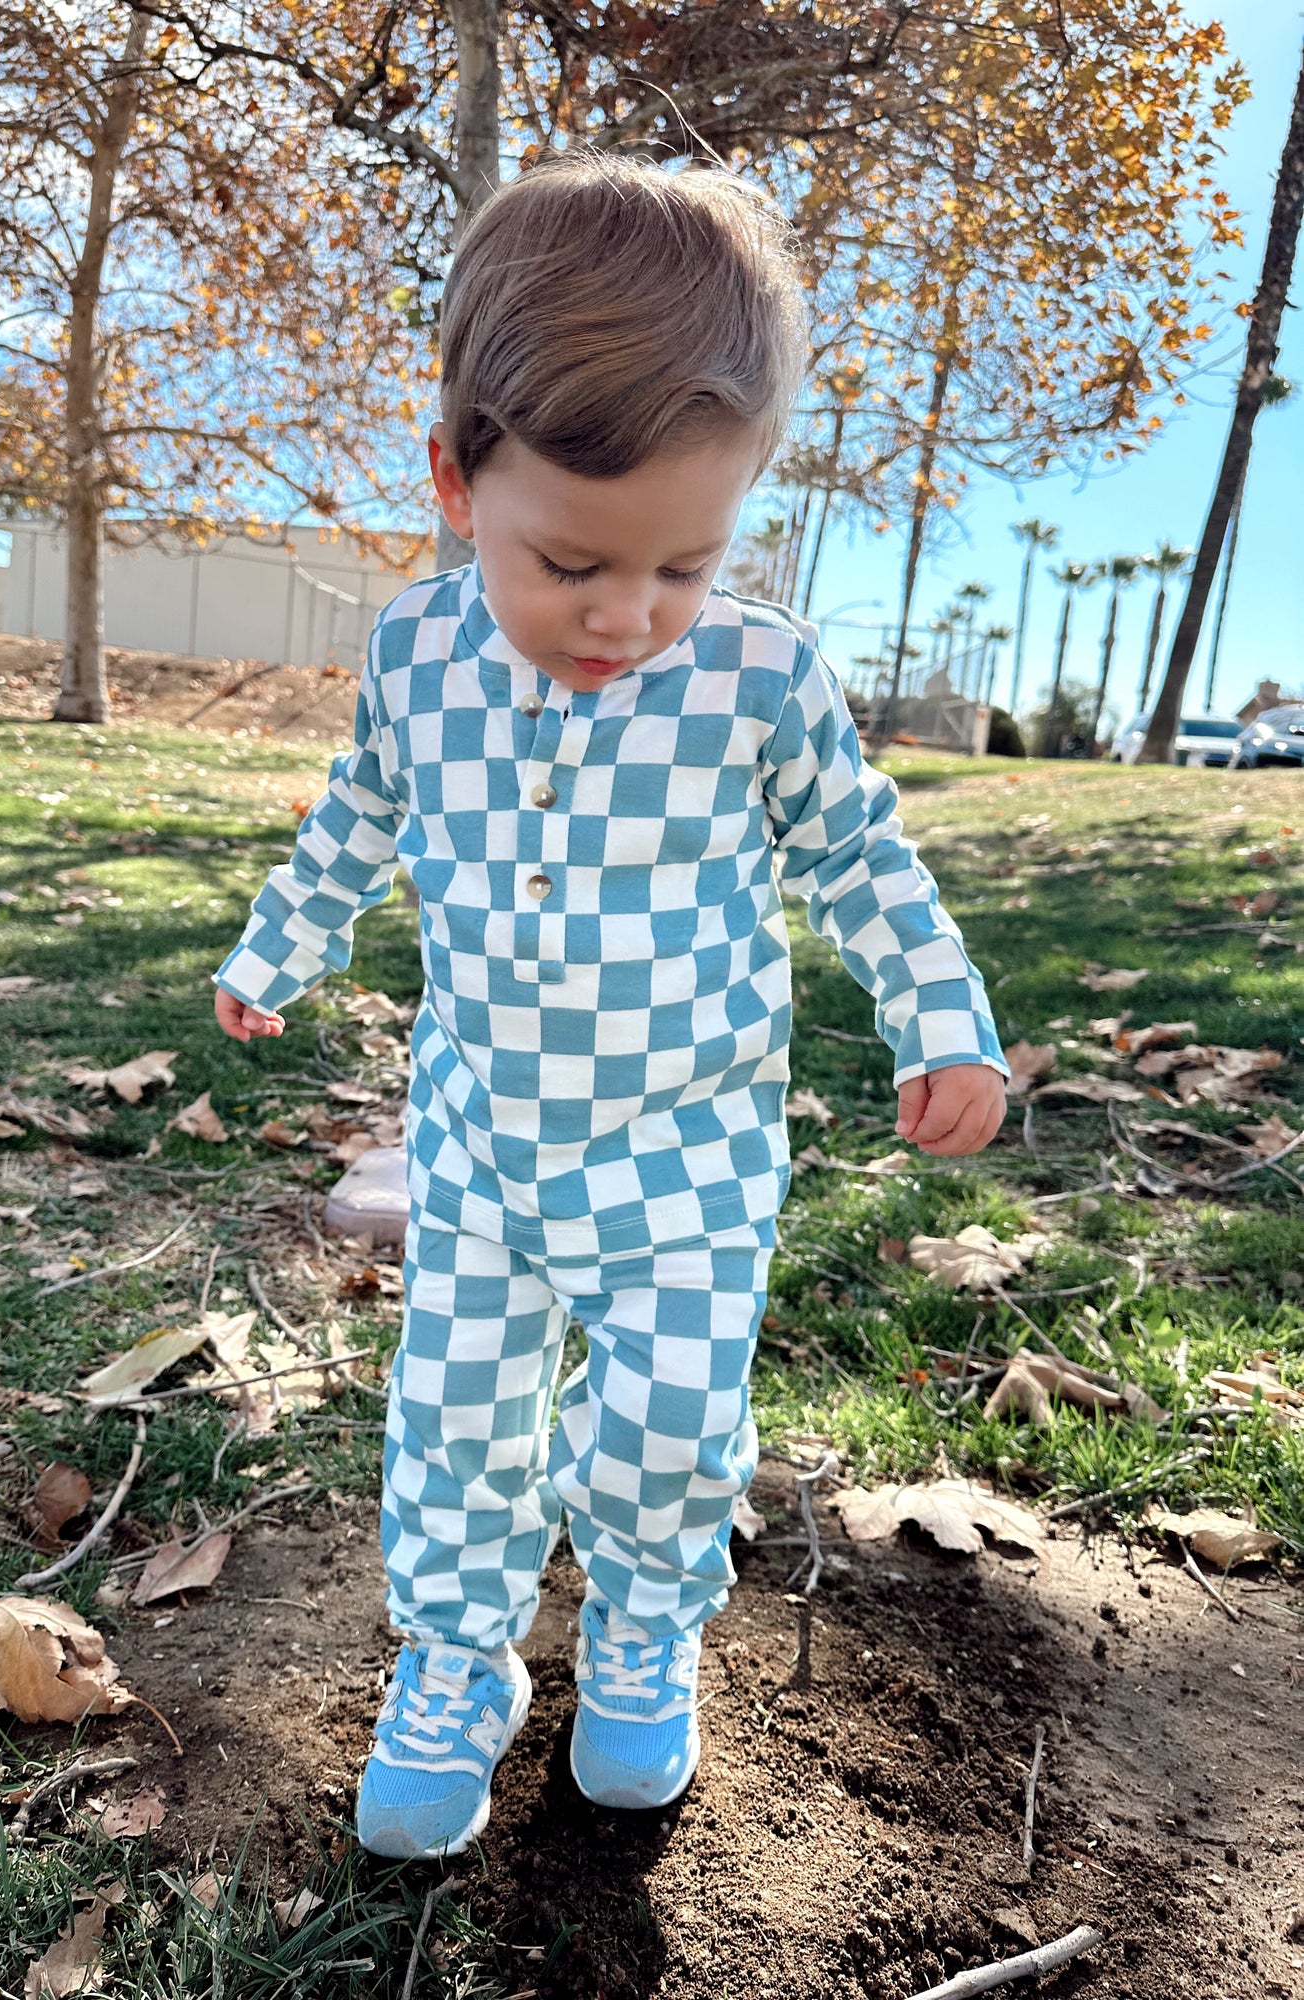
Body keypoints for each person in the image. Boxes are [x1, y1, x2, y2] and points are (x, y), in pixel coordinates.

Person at [213, 155, 1008, 1860]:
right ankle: (456, 1654)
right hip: (486, 1143)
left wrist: (943, 1020)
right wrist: (279, 946)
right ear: (455, 476)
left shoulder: (760, 678)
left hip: (690, 1149)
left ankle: (644, 1633)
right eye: (571, 560)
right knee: (459, 1415)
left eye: (685, 567)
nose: (627, 618)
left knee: (667, 1424)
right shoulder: (418, 654)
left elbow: (863, 856)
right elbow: (359, 813)